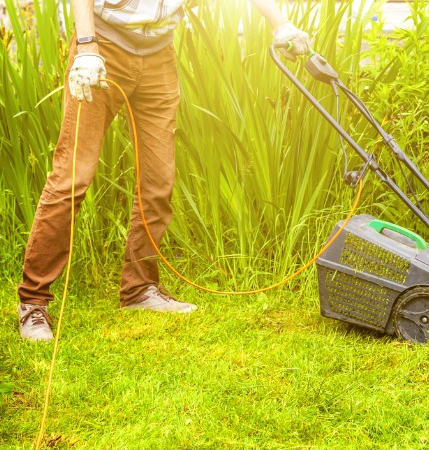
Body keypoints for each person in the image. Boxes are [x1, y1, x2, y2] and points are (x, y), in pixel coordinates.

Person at [17, 0, 311, 341]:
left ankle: (139, 290)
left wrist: (281, 24)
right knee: (72, 178)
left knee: (158, 182)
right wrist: (86, 46)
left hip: (158, 55)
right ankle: (33, 301)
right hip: (103, 48)